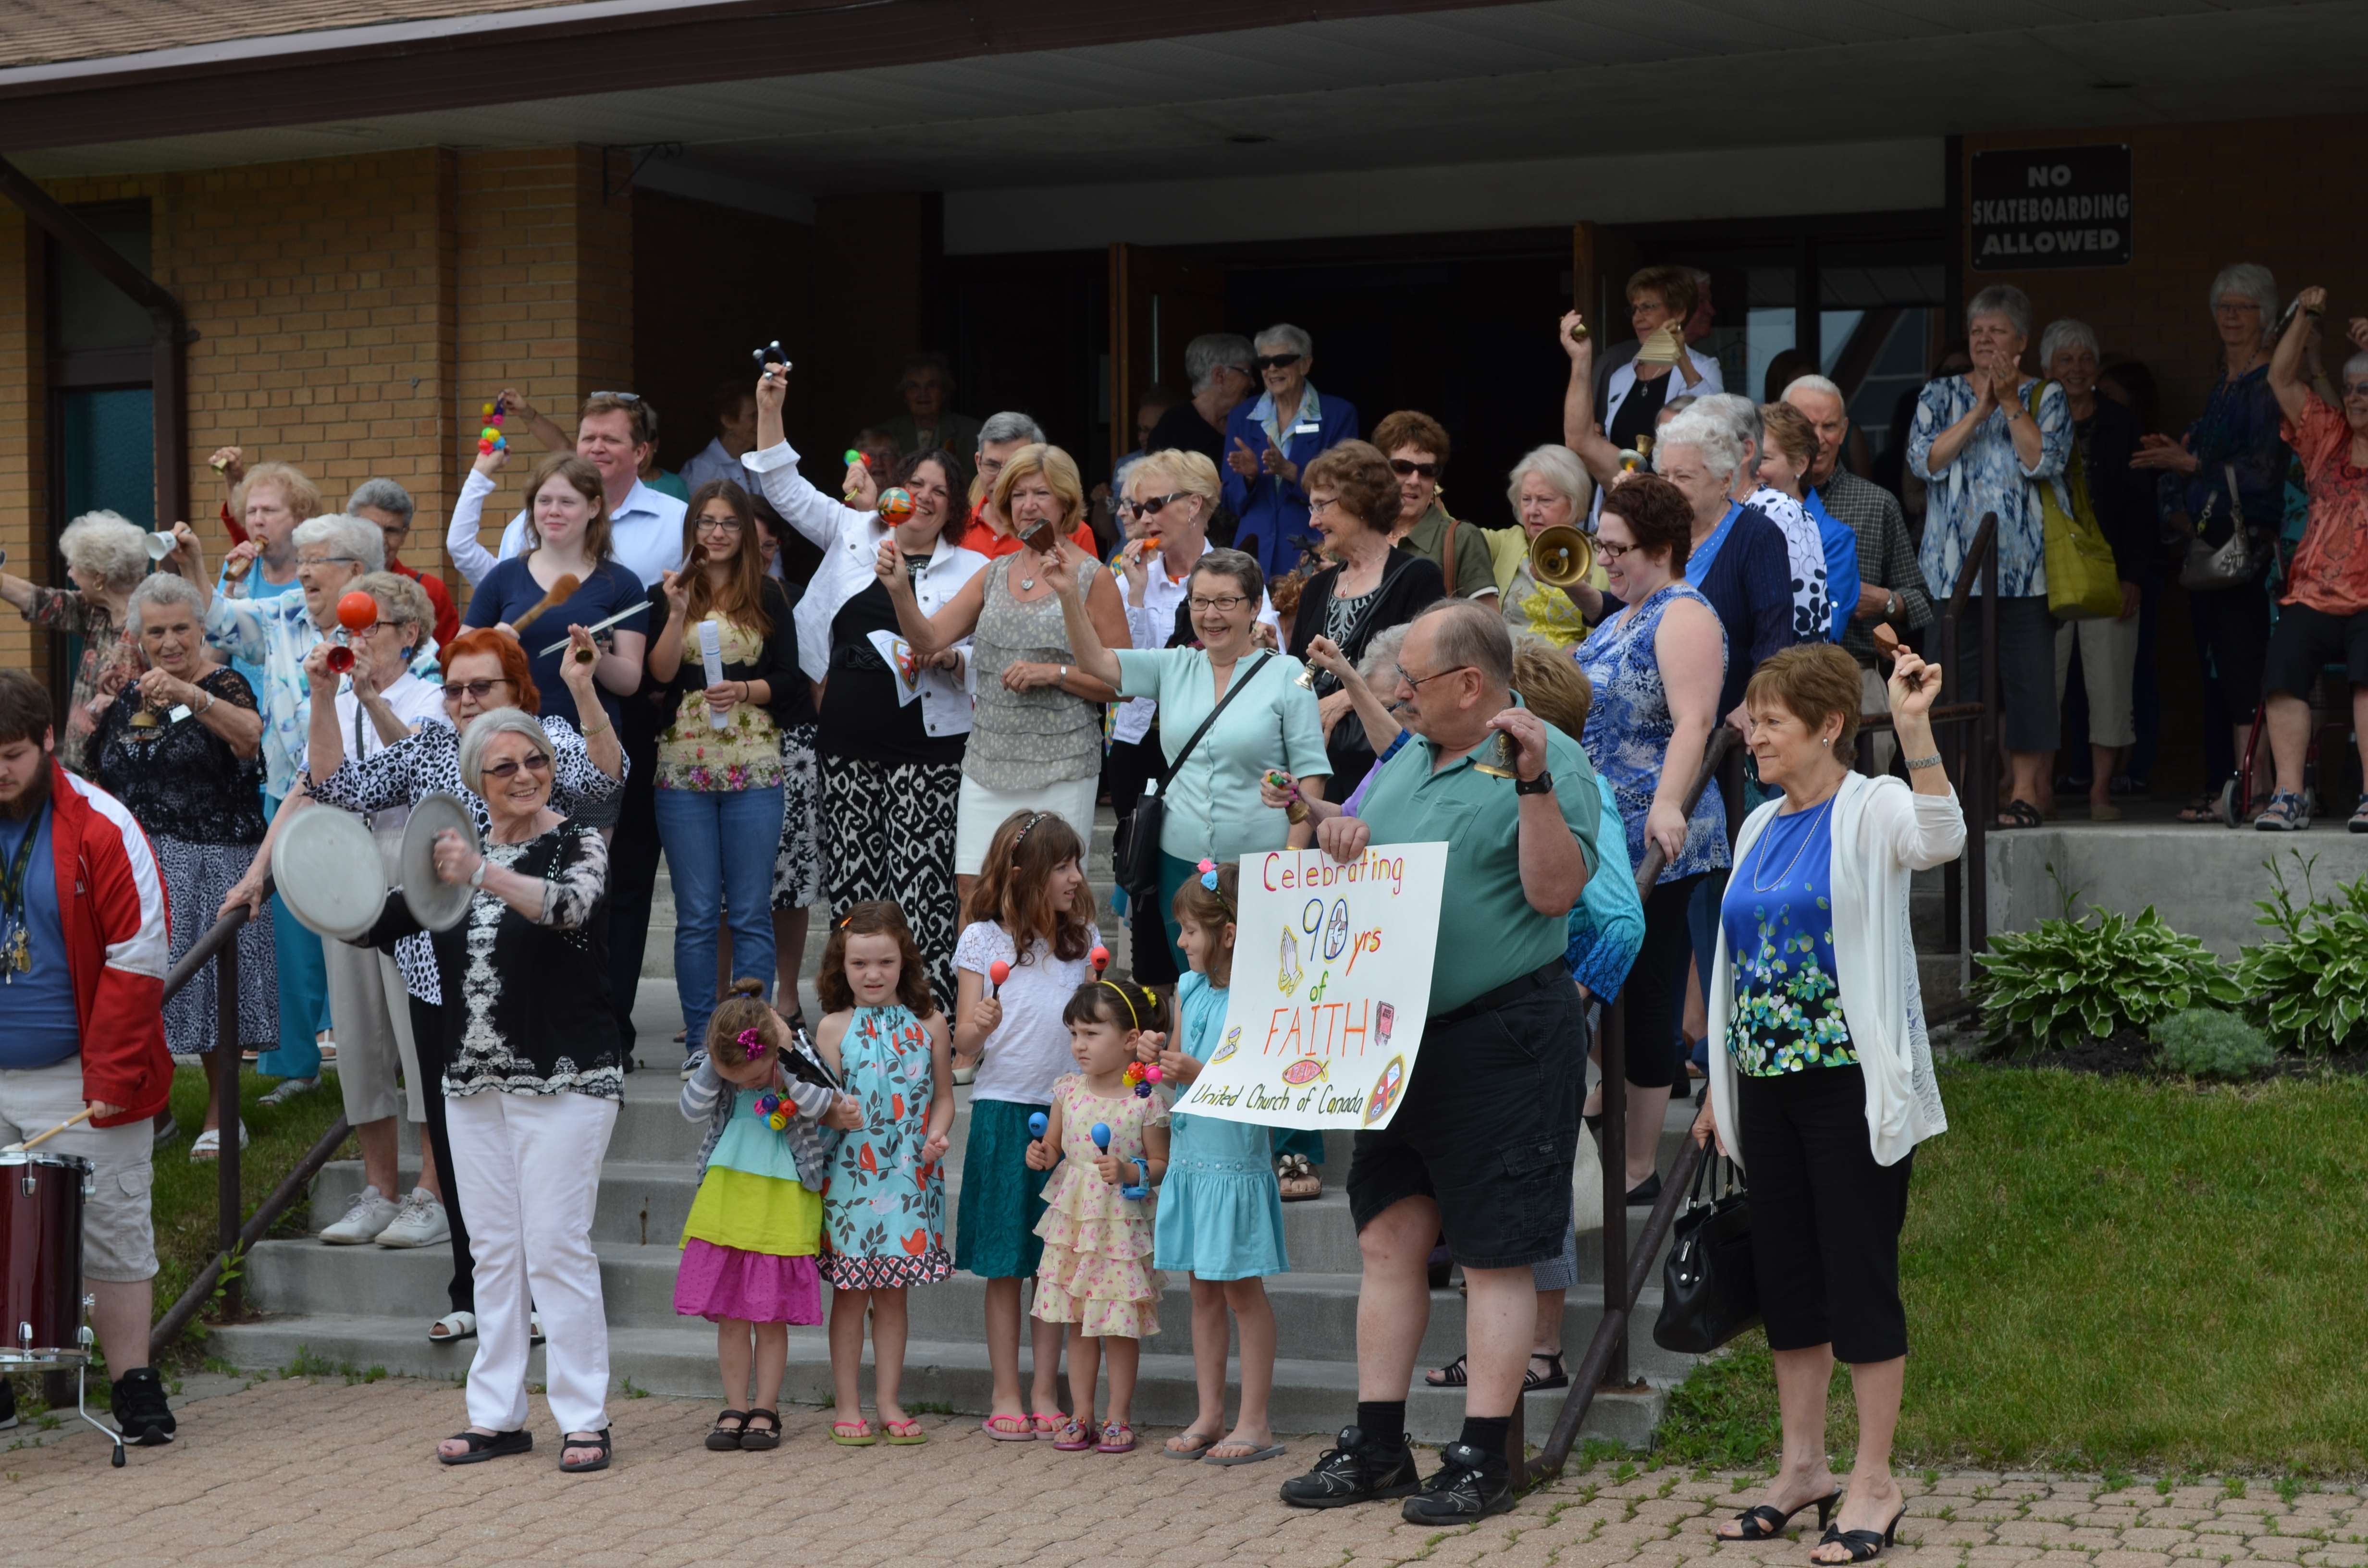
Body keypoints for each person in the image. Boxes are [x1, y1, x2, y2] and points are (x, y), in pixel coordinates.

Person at [1278, 600, 1598, 1522]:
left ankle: (1481, 1453)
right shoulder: (1410, 756)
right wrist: (1336, 827)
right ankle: (1378, 1443)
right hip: (1396, 1036)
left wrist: (1533, 786)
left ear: (1469, 682)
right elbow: (1369, 860)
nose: (1396, 694)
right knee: (1387, 1239)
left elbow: (1553, 893)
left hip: (1501, 1035)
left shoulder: (1546, 758)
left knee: (1494, 1253)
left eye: (1411, 681)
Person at [1698, 642, 1963, 1566]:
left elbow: (1941, 839)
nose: (1752, 733)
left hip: (1850, 1084)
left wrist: (1916, 723)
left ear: (1827, 725)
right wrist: (1715, 1080)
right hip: (1763, 1085)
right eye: (1751, 718)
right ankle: (1802, 1466)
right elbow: (1738, 961)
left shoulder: (1873, 804)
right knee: (1788, 1282)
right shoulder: (1757, 823)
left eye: (1769, 720)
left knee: (1857, 1275)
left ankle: (1875, 1480)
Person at [284, 626, 622, 1346]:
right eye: (456, 688)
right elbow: (336, 789)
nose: (465, 701)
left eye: (482, 687)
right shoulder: (430, 745)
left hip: (541, 990)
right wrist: (324, 697)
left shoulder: (544, 740)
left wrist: (587, 688)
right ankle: (473, 1292)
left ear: (517, 691)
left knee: (537, 1173)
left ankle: (542, 1306)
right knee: (460, 1142)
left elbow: (608, 781)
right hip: (439, 975)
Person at [740, 359, 986, 1009]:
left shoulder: (975, 567)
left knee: (922, 886)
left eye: (940, 490)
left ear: (953, 508)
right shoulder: (855, 532)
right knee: (854, 882)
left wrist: (953, 660)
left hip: (930, 748)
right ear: (894, 490)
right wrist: (771, 408)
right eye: (916, 483)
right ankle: (850, 1016)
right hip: (846, 738)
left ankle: (925, 1016)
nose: (925, 496)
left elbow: (984, 654)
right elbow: (785, 489)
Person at [412, 708, 619, 1474]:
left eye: (535, 760)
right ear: (476, 782)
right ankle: (496, 1417)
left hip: (568, 1075)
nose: (527, 775)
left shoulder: (580, 839)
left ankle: (584, 1417)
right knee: (495, 1250)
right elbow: (383, 916)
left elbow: (569, 908)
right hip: (473, 1080)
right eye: (505, 767)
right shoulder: (450, 855)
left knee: (558, 1246)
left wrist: (484, 873)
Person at [0, 669, 179, 1446]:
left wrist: (110, 1075)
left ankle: (133, 1380)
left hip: (82, 1071)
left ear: (48, 740)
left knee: (112, 1226)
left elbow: (139, 957)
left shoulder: (105, 823)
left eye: (9, 755)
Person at [1045, 541, 1324, 981]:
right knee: (1192, 982)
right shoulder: (1174, 665)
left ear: (1254, 608)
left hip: (1261, 866)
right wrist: (1066, 596)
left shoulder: (1289, 675)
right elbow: (1095, 662)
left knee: (1260, 984)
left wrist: (1291, 857)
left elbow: (1310, 773)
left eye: (1226, 601)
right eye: (1200, 601)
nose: (1211, 614)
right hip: (1179, 863)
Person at [187, 510, 384, 1097]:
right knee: (293, 940)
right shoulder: (280, 617)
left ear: (354, 569)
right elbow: (219, 623)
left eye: (313, 562)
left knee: (366, 935)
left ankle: (377, 1061)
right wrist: (199, 563)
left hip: (368, 805)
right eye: (299, 561)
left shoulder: (389, 626)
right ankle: (297, 1068)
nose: (301, 573)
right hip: (288, 795)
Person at [1571, 475, 1727, 1200]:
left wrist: (1670, 804)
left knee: (1648, 989)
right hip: (1607, 832)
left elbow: (1695, 720)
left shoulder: (1685, 614)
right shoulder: (1626, 614)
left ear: (1660, 548)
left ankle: (1636, 1169)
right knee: (1611, 987)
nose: (1603, 559)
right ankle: (1614, 1116)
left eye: (1616, 548)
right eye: (1601, 545)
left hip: (1663, 835)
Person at [880, 444, 1128, 888]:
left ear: (1067, 502)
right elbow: (928, 640)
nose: (1028, 504)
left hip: (1063, 764)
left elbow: (1121, 684)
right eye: (1018, 495)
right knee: (974, 889)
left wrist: (1052, 674)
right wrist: (900, 589)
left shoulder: (1094, 576)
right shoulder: (994, 573)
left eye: (1041, 494)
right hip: (988, 761)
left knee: (1055, 897)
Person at [296, 572, 453, 1245]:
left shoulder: (436, 698)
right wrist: (326, 697)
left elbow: (426, 770)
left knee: (418, 1032)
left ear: (409, 635)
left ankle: (433, 1190)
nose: (354, 641)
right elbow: (324, 781)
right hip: (345, 861)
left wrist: (371, 698)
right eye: (347, 629)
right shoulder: (342, 692)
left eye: (369, 628)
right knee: (359, 1036)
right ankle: (379, 1188)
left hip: (409, 859)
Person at [92, 573, 272, 1149]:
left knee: (215, 994)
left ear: (200, 630)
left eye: (180, 629)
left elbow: (248, 738)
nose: (169, 642)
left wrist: (192, 695)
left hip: (218, 858)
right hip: (145, 865)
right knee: (149, 991)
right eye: (156, 631)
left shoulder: (225, 684)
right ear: (137, 636)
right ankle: (157, 1114)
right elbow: (104, 773)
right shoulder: (131, 695)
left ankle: (224, 1119)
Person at [951, 810, 1098, 1440]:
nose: (1074, 878)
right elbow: (961, 1044)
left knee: (1054, 1263)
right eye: (1061, 866)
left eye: (1076, 864)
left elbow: (1093, 1026)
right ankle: (1006, 1388)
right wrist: (976, 1031)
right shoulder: (982, 941)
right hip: (1003, 1109)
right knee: (1007, 1261)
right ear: (1023, 874)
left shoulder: (1081, 936)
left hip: (1068, 1113)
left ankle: (1046, 1388)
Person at [645, 480, 803, 1055]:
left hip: (754, 768)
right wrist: (675, 613)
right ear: (692, 531)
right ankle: (698, 1044)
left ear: (745, 533)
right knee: (694, 916)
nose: (716, 533)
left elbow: (789, 680)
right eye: (706, 523)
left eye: (728, 524)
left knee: (751, 912)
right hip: (683, 771)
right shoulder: (667, 590)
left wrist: (743, 688)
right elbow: (658, 677)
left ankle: (750, 1040)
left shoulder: (769, 594)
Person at [1908, 283, 2072, 830]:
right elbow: (1924, 462)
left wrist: (2006, 403)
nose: (1983, 340)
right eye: (1976, 331)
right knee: (1951, 686)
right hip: (1951, 574)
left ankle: (2025, 793)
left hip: (2025, 573)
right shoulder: (1937, 395)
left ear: (2021, 341)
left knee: (2028, 685)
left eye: (1996, 331)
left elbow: (2043, 461)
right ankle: (1957, 798)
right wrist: (1978, 411)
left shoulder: (2045, 396)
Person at [2132, 265, 2289, 823]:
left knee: (2248, 670)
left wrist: (2190, 463)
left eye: (2243, 307)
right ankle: (2248, 784)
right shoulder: (2224, 381)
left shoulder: (2267, 383)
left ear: (2266, 318)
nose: (2229, 315)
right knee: (2222, 671)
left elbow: (2265, 473)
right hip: (2211, 549)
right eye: (2222, 305)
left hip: (2250, 554)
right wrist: (2178, 458)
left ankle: (2262, 788)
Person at [1147, 860, 1290, 1464]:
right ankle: (1210, 1413)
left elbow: (1257, 1080)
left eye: (1190, 931)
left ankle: (1254, 1421)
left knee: (1240, 1292)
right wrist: (1152, 1053)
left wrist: (1193, 1071)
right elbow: (1174, 1064)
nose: (1181, 943)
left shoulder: (1261, 996)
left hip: (1233, 1159)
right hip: (1191, 1158)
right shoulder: (1189, 988)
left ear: (1228, 933)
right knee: (1201, 1290)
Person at [678, 981, 848, 1454]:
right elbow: (690, 1110)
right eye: (739, 1078)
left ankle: (766, 1407)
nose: (747, 1084)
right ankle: (735, 1405)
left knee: (768, 1316)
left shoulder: (790, 1064)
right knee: (732, 1317)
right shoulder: (724, 1074)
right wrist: (717, 1065)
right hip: (728, 1200)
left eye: (753, 1076)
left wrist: (786, 1055)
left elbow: (822, 1103)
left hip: (782, 1203)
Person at [814, 902, 956, 1446]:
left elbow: (942, 1098)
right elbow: (818, 1108)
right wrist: (834, 1112)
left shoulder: (930, 1025)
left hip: (910, 1177)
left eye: (885, 962)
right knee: (851, 1296)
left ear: (905, 963)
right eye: (859, 964)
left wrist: (936, 1134)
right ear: (841, 966)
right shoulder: (832, 1028)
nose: (872, 975)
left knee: (894, 1295)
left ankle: (889, 1401)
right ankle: (847, 1404)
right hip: (851, 1182)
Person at [1024, 974, 1172, 1456]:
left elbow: (1161, 1166)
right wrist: (1040, 1155)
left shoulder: (1144, 1102)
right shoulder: (1068, 1091)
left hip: (1121, 1229)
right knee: (1078, 1321)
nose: (1078, 1045)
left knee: (1119, 1324)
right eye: (1073, 1034)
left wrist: (1130, 1169)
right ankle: (1082, 1414)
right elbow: (1053, 1148)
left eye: (1091, 1033)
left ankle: (1118, 1416)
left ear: (1131, 1040)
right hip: (1074, 1223)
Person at [1782, 376, 1933, 776]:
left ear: (1845, 430)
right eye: (1803, 425)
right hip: (1778, 680)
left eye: (1829, 426)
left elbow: (1921, 601)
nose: (1817, 438)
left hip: (1858, 677)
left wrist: (1885, 601)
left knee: (1867, 812)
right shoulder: (1753, 506)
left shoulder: (1876, 502)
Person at [2257, 287, 2368, 831]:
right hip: (2314, 593)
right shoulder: (2326, 433)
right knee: (2283, 665)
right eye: (2349, 389)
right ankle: (2288, 795)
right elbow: (2279, 379)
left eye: (2366, 389)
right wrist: (2304, 315)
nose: (2355, 397)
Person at [1286, 441, 1448, 801]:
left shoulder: (1417, 577)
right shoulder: (1317, 587)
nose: (1312, 521)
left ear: (1358, 503)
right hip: (1317, 768)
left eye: (1321, 506)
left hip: (1384, 769)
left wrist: (1345, 698)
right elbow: (1298, 673)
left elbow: (1429, 675)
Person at [457, 451, 649, 746]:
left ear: (594, 507)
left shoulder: (622, 584)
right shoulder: (503, 577)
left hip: (590, 739)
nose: (554, 511)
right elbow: (456, 661)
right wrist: (491, 643)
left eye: (567, 502)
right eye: (544, 501)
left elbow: (630, 682)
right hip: (509, 738)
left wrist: (598, 656)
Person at [2038, 320, 2150, 821]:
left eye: (2085, 359)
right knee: (2041, 684)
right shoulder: (2031, 419)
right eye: (2065, 361)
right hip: (2045, 573)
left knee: (2109, 682)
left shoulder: (2120, 422)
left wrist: (2134, 575)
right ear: (2046, 370)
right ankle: (2036, 787)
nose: (2077, 369)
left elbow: (2138, 505)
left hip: (2107, 571)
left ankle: (2100, 792)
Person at [450, 389, 689, 589]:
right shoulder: (537, 521)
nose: (597, 448)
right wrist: (480, 474)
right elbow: (503, 592)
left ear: (640, 452)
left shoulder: (677, 520)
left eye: (611, 440)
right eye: (588, 439)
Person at [0, 510, 151, 779]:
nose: (70, 573)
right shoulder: (97, 612)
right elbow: (41, 601)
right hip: (82, 768)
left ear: (99, 576)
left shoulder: (151, 622)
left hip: (126, 772)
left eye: (74, 565)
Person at [1224, 324, 1362, 579]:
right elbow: (1230, 502)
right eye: (1264, 362)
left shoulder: (1338, 415)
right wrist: (1250, 477)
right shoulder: (1243, 417)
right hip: (1253, 557)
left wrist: (1291, 472)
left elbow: (1348, 493)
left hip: (1313, 549)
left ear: (1305, 364)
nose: (1272, 368)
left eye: (1283, 360)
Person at [1587, 268, 1723, 514]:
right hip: (1622, 507)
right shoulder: (1621, 377)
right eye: (1635, 309)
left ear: (1679, 312)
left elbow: (1716, 422)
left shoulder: (1704, 368)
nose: (1637, 317)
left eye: (1648, 307)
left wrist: (1681, 357)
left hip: (1671, 509)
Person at [206, 459, 322, 710]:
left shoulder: (316, 578)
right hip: (240, 716)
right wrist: (231, 590)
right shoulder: (236, 569)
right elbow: (211, 659)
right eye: (251, 512)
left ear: (300, 519)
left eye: (269, 511)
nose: (258, 521)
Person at [1758, 398, 1862, 643]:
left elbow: (1825, 633)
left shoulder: (1835, 538)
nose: (1752, 471)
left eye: (1763, 459)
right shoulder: (1727, 523)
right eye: (1747, 458)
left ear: (1801, 463)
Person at [1374, 410, 1496, 602]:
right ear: (1380, 470)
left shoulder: (1462, 539)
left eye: (1427, 471)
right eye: (1402, 467)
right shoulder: (1358, 532)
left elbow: (1490, 627)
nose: (1414, 480)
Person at [957, 413, 1099, 561]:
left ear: (1041, 463)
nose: (1001, 479)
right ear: (978, 462)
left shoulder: (1075, 533)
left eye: (1015, 468)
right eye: (992, 465)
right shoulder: (953, 527)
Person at [1497, 444, 1599, 648]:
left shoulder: (1602, 556)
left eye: (1545, 500)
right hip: (1507, 676)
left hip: (1570, 677)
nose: (1532, 510)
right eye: (1526, 499)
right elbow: (1450, 532)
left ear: (1574, 502)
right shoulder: (1504, 543)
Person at [346, 478, 460, 648]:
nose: (381, 540)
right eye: (370, 528)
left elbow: (448, 663)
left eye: (391, 530)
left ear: (405, 535)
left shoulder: (431, 592)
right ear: (350, 529)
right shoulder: (328, 586)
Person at [1148, 333, 1258, 467]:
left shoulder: (1250, 422)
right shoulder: (1173, 427)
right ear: (1220, 375)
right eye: (1247, 373)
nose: (1253, 383)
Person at [875, 352, 983, 461]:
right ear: (904, 395)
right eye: (914, 387)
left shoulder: (973, 432)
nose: (923, 394)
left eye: (931, 386)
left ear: (944, 392)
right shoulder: (885, 435)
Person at [678, 377, 762, 495]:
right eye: (753, 416)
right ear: (728, 421)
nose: (760, 423)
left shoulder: (755, 463)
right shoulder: (701, 469)